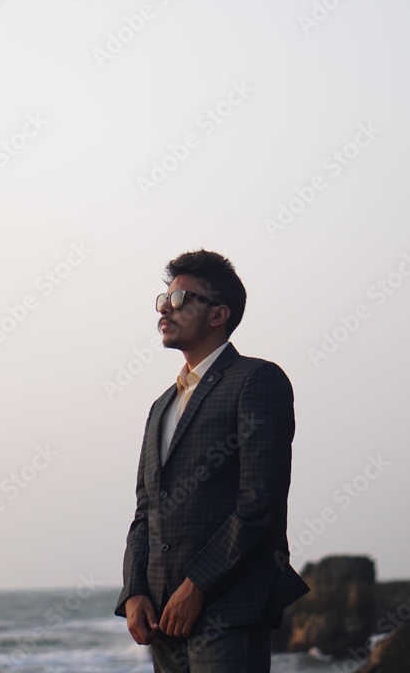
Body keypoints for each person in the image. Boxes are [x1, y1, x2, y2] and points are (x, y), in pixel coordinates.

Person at [115, 249, 309, 672]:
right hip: (162, 621)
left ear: (219, 314)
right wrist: (134, 591)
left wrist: (198, 586)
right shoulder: (161, 406)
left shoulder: (257, 380)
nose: (165, 309)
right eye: (163, 299)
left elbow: (260, 503)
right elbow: (145, 512)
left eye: (179, 299)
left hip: (228, 613)